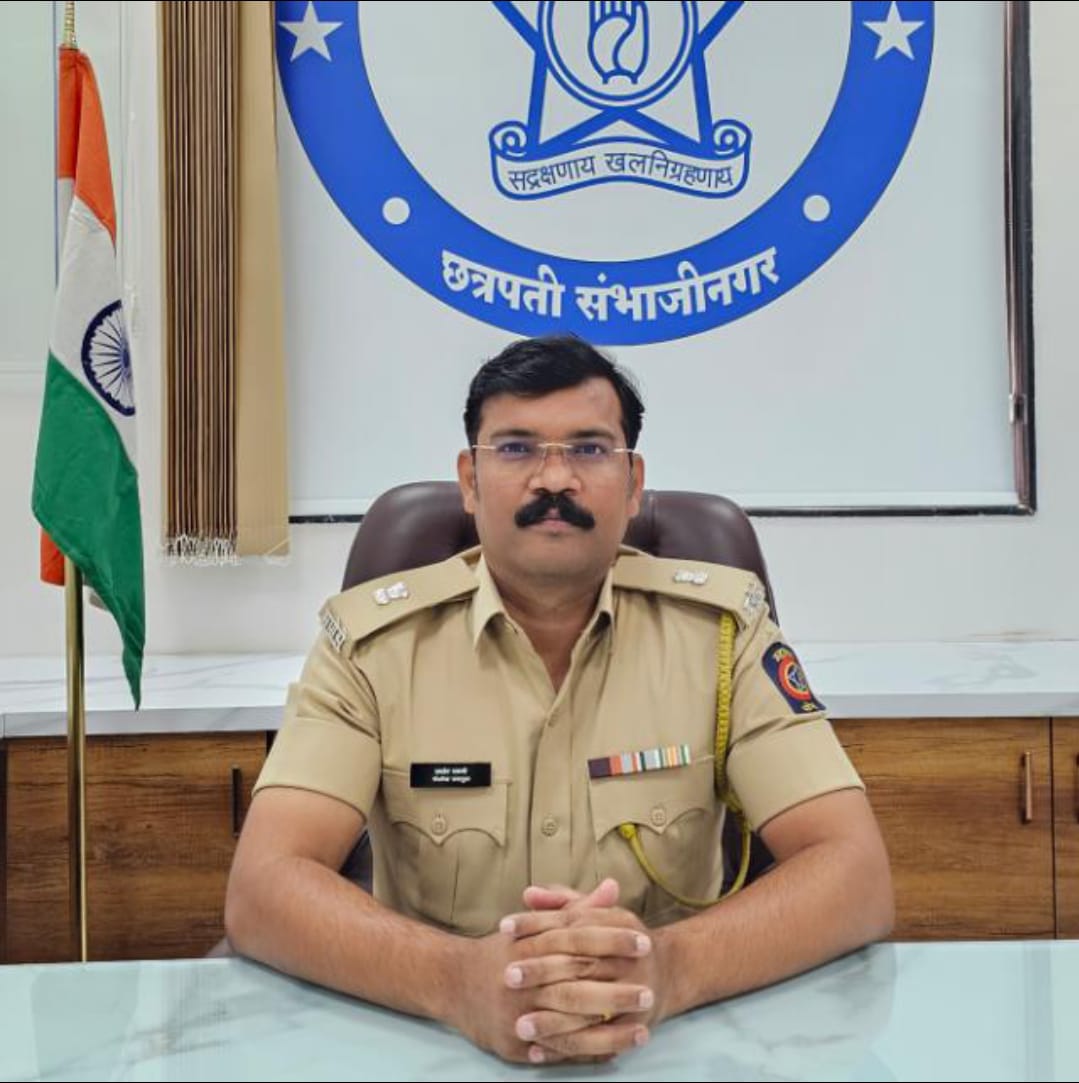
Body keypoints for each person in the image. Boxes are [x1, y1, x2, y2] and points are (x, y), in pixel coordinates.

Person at [225, 334, 893, 1066]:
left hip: (671, 1045)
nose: (554, 478)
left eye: (589, 449)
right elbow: (262, 887)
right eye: (516, 448)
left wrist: (669, 969)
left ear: (633, 483)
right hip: (429, 1043)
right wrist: (456, 981)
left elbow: (855, 872)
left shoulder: (723, 635)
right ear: (470, 481)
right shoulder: (371, 645)